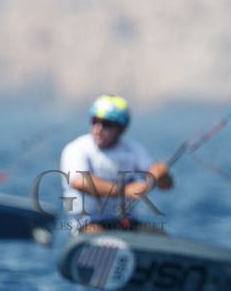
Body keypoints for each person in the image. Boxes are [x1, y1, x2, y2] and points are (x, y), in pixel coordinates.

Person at [58, 95, 173, 234]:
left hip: (125, 222)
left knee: (161, 237)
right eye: (95, 121)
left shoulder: (133, 150)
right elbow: (80, 182)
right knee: (100, 238)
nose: (98, 128)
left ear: (122, 128)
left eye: (106, 124)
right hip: (89, 224)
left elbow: (167, 185)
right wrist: (125, 190)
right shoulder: (76, 148)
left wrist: (161, 174)